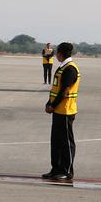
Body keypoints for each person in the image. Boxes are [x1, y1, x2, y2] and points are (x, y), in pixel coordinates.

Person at [42, 42, 79, 180]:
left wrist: (53, 105)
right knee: (56, 141)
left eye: (57, 52)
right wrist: (49, 103)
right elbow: (55, 89)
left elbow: (65, 91)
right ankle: (56, 168)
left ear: (60, 54)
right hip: (58, 110)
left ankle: (67, 170)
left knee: (66, 143)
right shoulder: (62, 68)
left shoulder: (70, 69)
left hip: (66, 110)